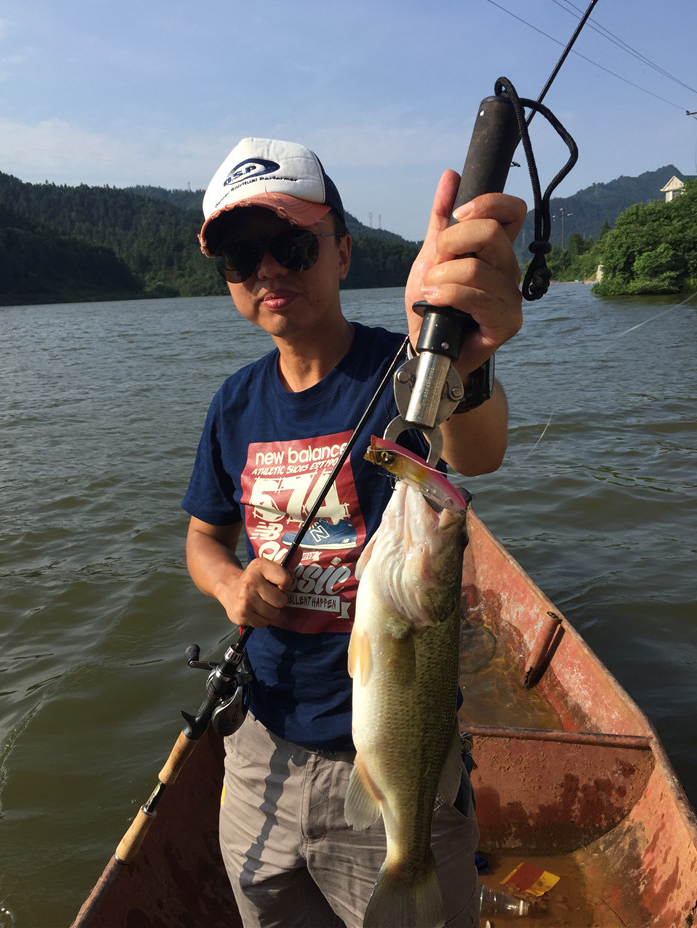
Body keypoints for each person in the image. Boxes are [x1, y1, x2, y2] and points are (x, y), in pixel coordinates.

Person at [182, 137, 526, 928]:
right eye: (242, 257)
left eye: (293, 245)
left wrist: (463, 357)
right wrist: (231, 586)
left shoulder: (410, 367)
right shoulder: (233, 404)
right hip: (260, 751)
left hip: (396, 754)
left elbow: (478, 451)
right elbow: (203, 541)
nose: (268, 270)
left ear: (342, 251)